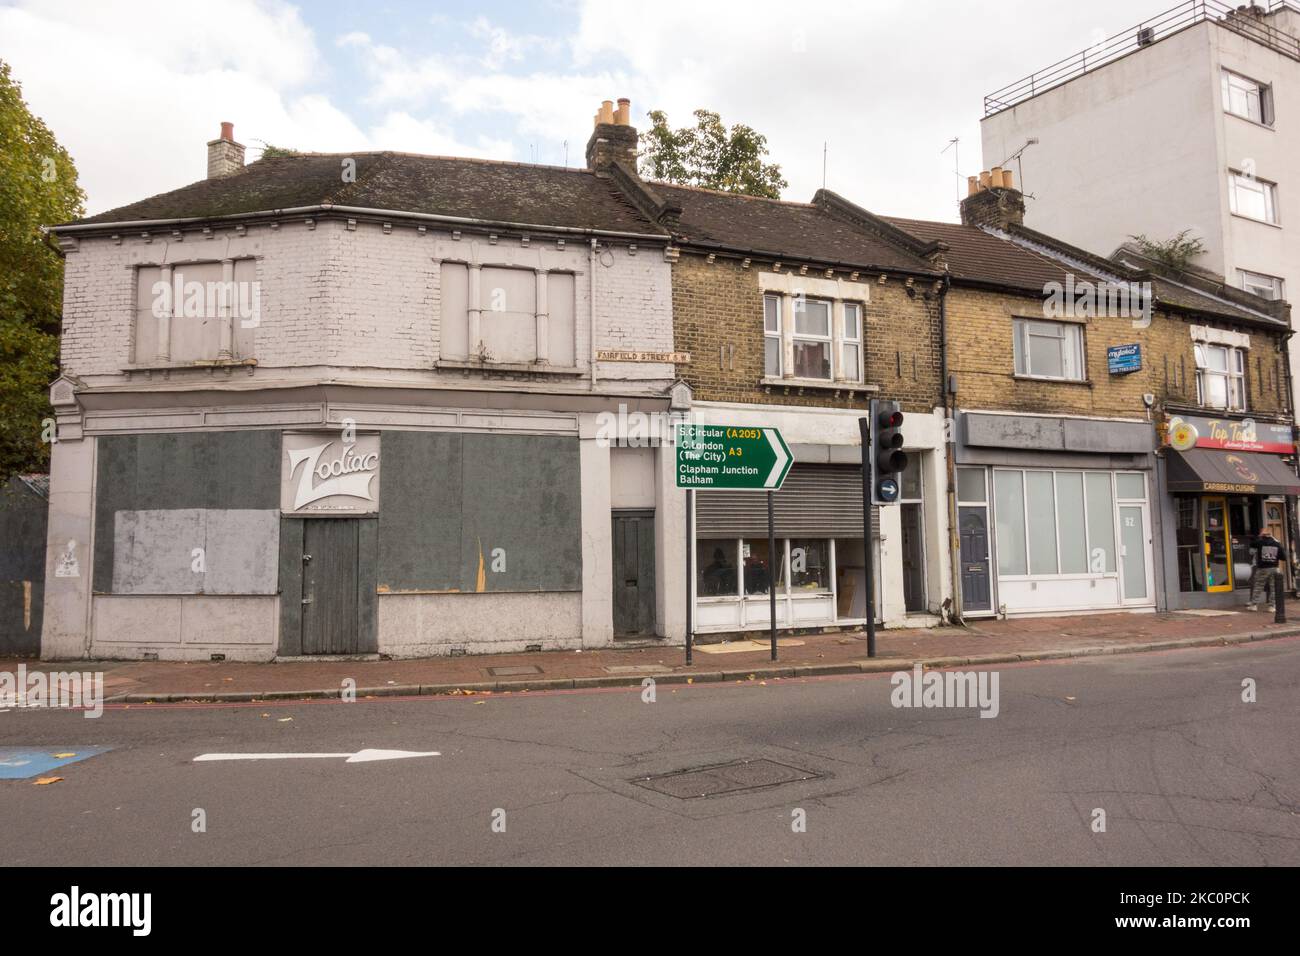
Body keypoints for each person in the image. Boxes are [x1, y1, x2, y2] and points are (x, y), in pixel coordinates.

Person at [1246, 531, 1287, 611]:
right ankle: (1272, 606)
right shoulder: (1277, 544)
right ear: (1271, 536)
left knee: (1258, 586)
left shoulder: (1260, 542)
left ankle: (1254, 605)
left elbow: (1252, 544)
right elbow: (1283, 557)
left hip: (1262, 569)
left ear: (1263, 536)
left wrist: (1259, 537)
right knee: (1273, 588)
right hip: (1274, 568)